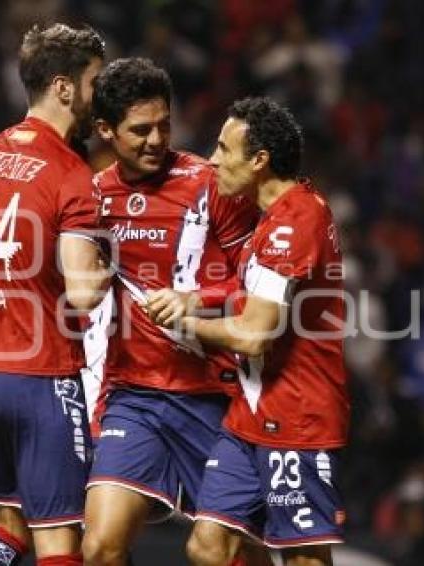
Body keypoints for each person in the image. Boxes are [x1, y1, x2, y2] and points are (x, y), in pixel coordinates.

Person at [147, 97, 350, 566]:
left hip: (298, 416)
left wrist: (184, 324)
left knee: (303, 558)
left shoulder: (294, 223)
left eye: (224, 149)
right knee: (208, 546)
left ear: (259, 161)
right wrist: (195, 298)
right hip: (250, 415)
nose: (213, 159)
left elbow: (256, 335)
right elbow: (248, 293)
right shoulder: (273, 216)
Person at [79, 58, 266, 566]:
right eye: (140, 130)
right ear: (105, 130)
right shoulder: (92, 198)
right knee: (98, 548)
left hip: (212, 397)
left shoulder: (212, 184)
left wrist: (196, 297)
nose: (156, 139)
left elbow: (260, 287)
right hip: (133, 398)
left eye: (164, 124)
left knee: (235, 553)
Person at [0, 23, 109, 566]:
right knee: (60, 543)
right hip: (39, 375)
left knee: (10, 527)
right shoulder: (72, 175)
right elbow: (85, 291)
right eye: (96, 82)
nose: (102, 96)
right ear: (65, 88)